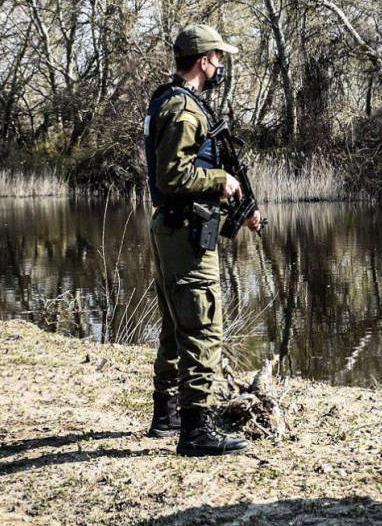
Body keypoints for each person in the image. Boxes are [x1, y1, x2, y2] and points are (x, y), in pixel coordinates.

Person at [143, 24, 264, 456]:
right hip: (184, 233)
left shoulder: (175, 102)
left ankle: (167, 414)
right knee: (202, 328)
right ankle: (194, 430)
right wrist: (220, 179)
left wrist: (237, 200)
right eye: (218, 58)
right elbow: (171, 175)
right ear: (202, 60)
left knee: (177, 327)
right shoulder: (183, 111)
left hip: (175, 229)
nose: (221, 67)